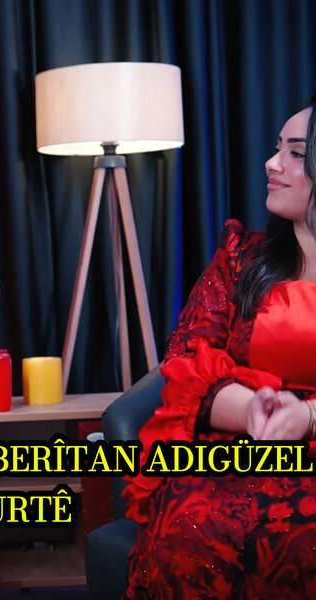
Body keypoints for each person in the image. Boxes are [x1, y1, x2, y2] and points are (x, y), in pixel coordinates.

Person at [123, 95, 316, 599]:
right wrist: (255, 409)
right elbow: (185, 362)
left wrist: (307, 417)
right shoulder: (240, 258)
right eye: (277, 147)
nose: (271, 163)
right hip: (236, 442)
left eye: (296, 153)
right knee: (192, 527)